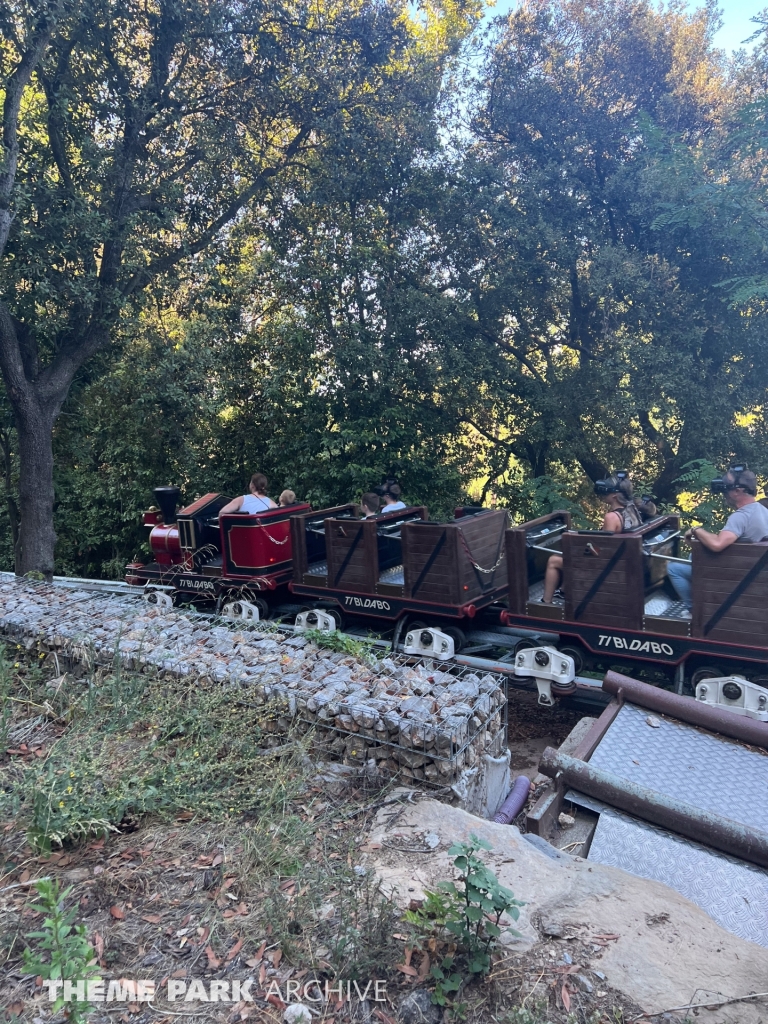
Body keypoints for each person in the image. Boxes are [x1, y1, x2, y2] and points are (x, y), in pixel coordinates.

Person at [542, 473, 656, 603]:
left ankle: (546, 603)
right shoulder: (633, 509)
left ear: (614, 495)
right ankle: (564, 591)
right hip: (622, 562)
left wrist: (581, 549)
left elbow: (602, 551)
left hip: (608, 567)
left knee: (553, 561)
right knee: (575, 552)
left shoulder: (612, 517)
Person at [668, 467, 768, 611]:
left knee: (673, 568)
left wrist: (696, 530)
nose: (724, 492)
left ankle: (694, 612)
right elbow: (726, 537)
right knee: (691, 556)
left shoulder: (740, 517)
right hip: (751, 572)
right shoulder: (762, 510)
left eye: (727, 487)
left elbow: (717, 544)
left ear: (738, 491)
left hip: (733, 576)